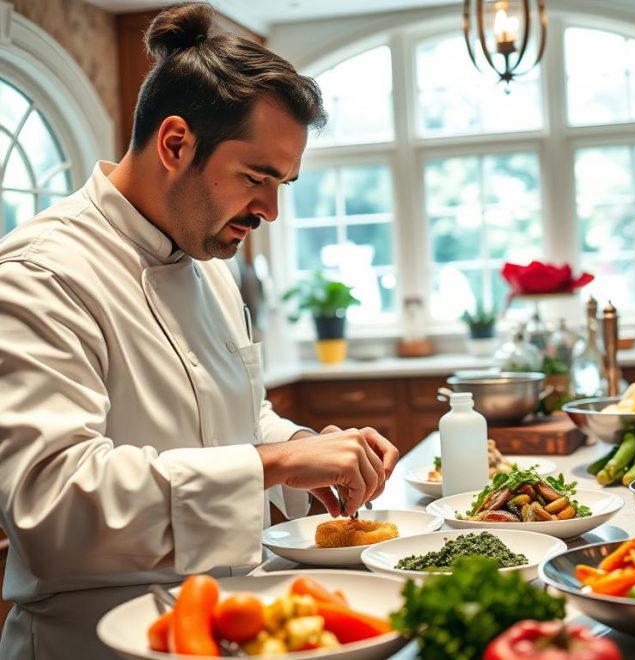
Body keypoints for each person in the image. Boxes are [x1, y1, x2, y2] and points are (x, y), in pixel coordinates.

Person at [0, 3, 399, 657]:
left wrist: (304, 447)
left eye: (283, 184)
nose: (270, 209)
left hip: (231, 627)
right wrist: (271, 463)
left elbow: (236, 420)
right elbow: (53, 502)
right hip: (96, 641)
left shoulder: (209, 259)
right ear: (176, 143)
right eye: (256, 178)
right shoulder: (41, 275)